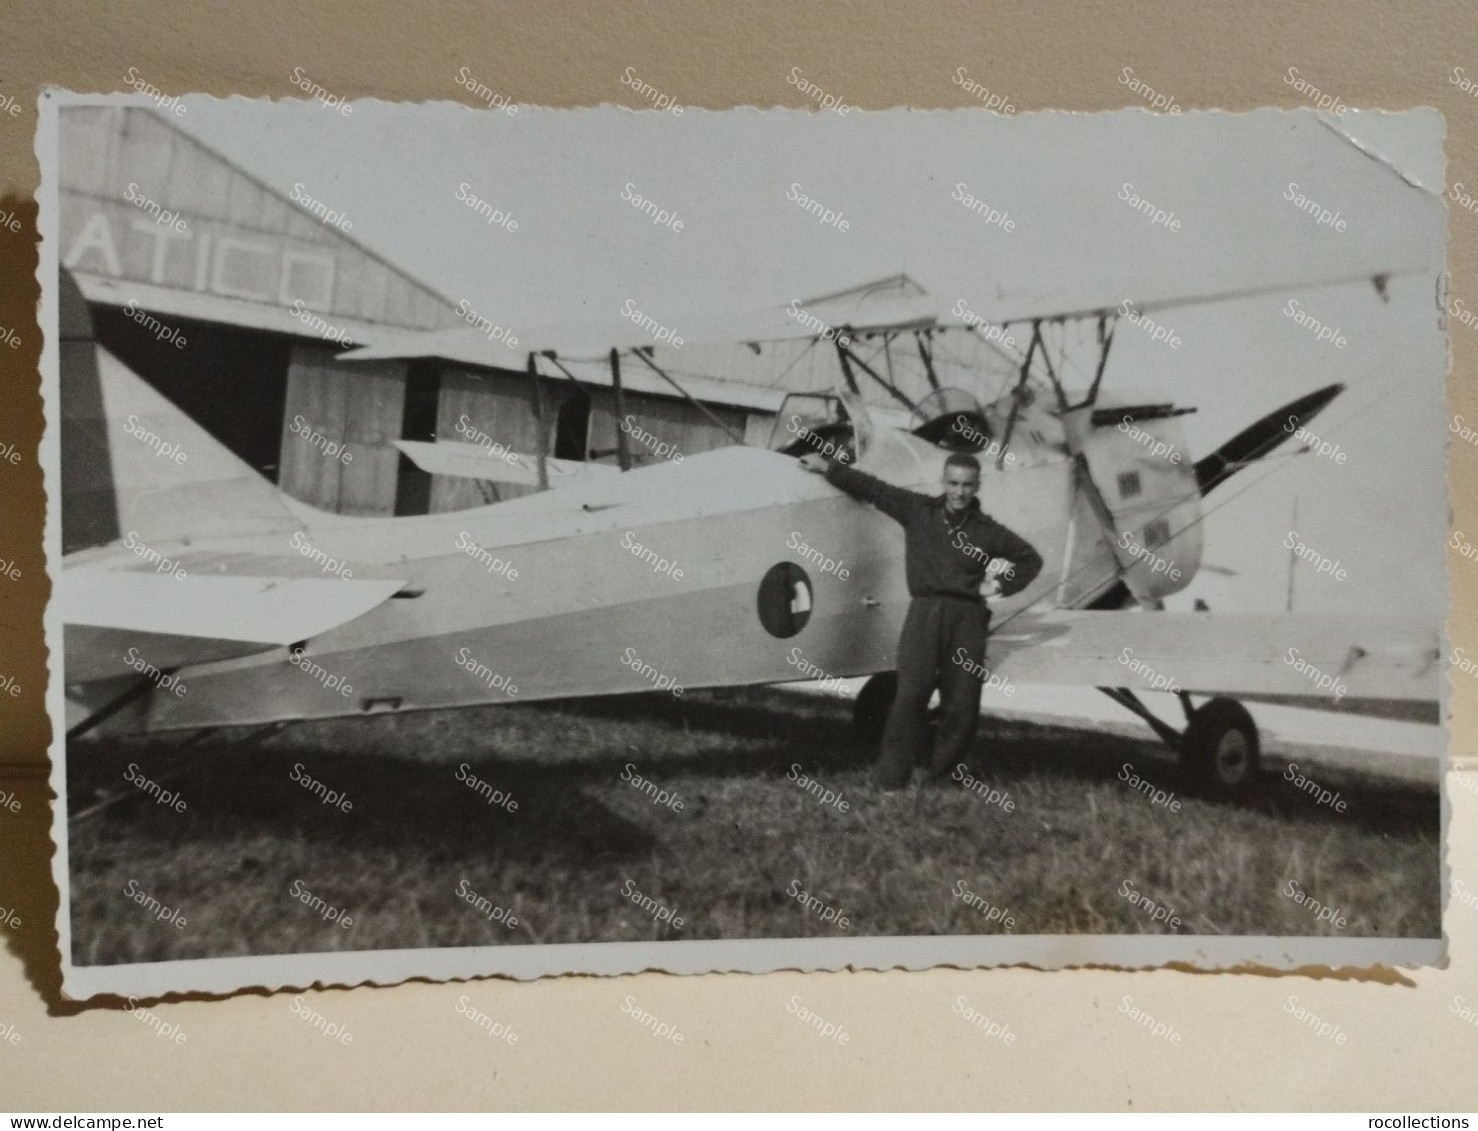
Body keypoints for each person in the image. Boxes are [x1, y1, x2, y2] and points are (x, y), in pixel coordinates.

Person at [798, 450, 1042, 789]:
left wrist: (999, 584)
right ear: (944, 482)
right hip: (924, 613)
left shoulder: (988, 532)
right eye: (953, 483)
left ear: (977, 486)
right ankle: (890, 781)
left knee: (962, 704)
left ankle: (941, 779)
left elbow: (1030, 559)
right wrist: (829, 468)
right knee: (909, 697)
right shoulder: (918, 511)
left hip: (968, 619)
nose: (959, 492)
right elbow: (875, 490)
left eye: (967, 485)